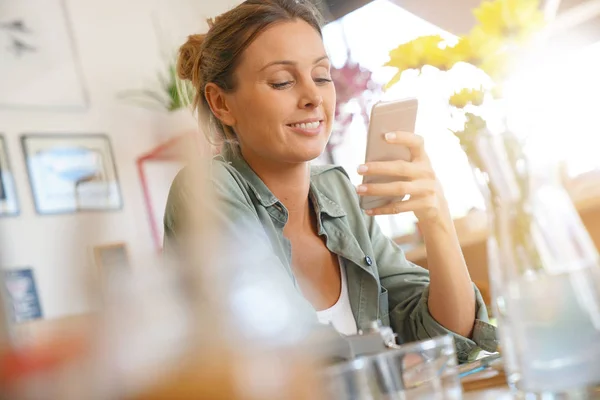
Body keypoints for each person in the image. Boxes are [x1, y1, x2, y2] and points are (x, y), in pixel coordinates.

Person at [164, 0, 497, 363]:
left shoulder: (337, 193)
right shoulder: (208, 189)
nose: (313, 98)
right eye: (282, 82)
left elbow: (447, 335)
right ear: (221, 103)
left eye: (322, 76)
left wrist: (437, 219)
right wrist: (399, 361)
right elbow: (284, 351)